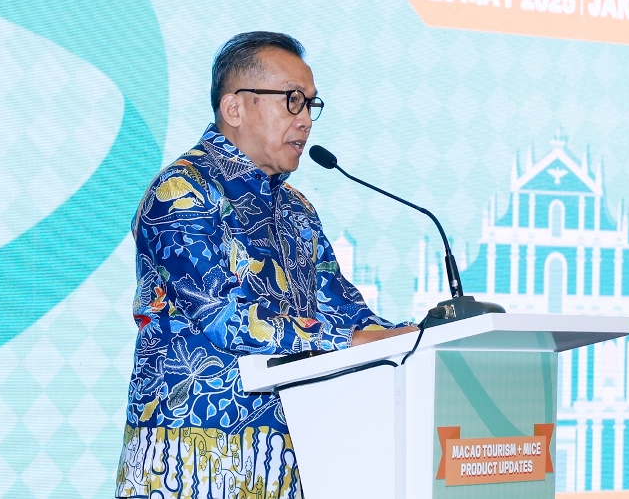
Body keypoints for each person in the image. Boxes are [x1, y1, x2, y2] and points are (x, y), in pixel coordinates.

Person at [116, 31, 416, 499]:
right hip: (190, 462)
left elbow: (346, 313)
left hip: (285, 459)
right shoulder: (183, 191)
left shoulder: (296, 209)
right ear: (234, 108)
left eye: (311, 104)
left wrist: (420, 335)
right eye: (292, 100)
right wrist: (345, 339)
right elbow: (222, 315)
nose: (306, 120)